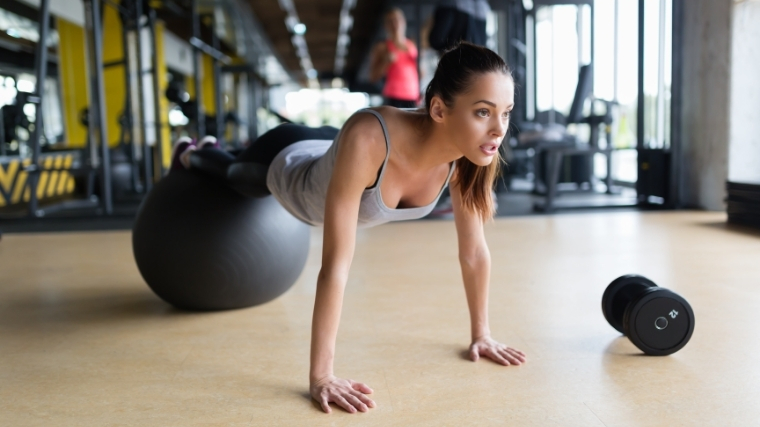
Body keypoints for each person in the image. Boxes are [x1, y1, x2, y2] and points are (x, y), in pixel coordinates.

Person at [169, 42, 526, 414]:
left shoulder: (472, 154)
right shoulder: (372, 139)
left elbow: (473, 252)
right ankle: (192, 153)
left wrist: (482, 335)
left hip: (332, 147)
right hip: (288, 162)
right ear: (438, 108)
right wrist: (321, 376)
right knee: (233, 174)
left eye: (506, 112)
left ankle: (207, 150)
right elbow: (336, 266)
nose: (499, 129)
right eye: (483, 112)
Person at [369, 8, 420, 108]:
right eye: (390, 21)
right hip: (393, 96)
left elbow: (421, 73)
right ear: (385, 26)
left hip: (413, 96)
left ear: (404, 22)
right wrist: (385, 62)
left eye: (397, 19)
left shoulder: (413, 46)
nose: (395, 23)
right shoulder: (382, 47)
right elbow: (372, 77)